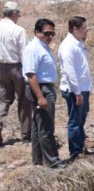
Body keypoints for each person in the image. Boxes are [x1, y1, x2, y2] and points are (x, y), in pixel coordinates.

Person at [22, 18, 67, 168]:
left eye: (52, 34)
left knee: (38, 126)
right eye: (46, 33)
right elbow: (31, 75)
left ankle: (38, 159)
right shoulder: (33, 48)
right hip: (40, 89)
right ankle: (52, 161)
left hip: (45, 87)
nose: (50, 36)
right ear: (37, 32)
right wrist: (40, 96)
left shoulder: (43, 46)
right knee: (47, 126)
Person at [58, 15, 93, 159]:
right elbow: (70, 71)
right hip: (75, 90)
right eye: (84, 28)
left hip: (83, 88)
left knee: (80, 119)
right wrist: (77, 93)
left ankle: (81, 144)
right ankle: (75, 152)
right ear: (75, 29)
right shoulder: (68, 46)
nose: (86, 31)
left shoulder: (78, 42)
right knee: (75, 121)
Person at [0, 1, 32, 146]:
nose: (19, 15)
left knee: (4, 100)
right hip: (16, 67)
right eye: (18, 13)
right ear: (13, 13)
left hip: (1, 68)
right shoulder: (18, 30)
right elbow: (25, 53)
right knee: (24, 101)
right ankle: (26, 135)